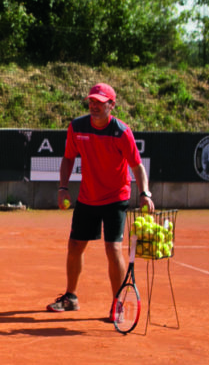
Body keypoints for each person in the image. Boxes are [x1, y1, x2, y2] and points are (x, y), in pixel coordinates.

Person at [47, 83, 153, 317]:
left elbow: (136, 166)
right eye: (92, 101)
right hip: (88, 196)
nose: (94, 106)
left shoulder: (121, 132)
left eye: (100, 102)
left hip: (116, 197)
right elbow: (67, 158)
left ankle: (118, 304)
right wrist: (63, 188)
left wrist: (145, 193)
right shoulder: (77, 127)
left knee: (113, 249)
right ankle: (70, 297)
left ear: (111, 105)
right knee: (75, 246)